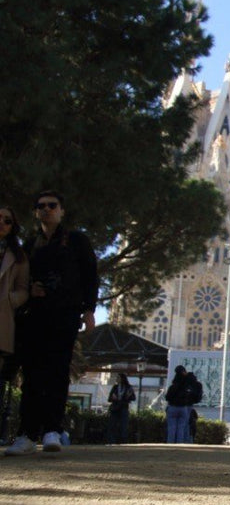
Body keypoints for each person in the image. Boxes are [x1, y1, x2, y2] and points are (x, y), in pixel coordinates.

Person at [5, 190, 98, 456]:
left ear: (62, 211)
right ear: (36, 212)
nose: (47, 210)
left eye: (52, 205)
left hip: (64, 314)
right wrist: (30, 290)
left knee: (57, 372)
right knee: (32, 374)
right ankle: (26, 433)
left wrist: (89, 309)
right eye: (41, 206)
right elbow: (21, 278)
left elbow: (90, 275)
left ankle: (52, 430)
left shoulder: (77, 241)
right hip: (34, 316)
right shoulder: (30, 244)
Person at [0, 205, 30, 444]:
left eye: (7, 220)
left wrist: (10, 300)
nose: (2, 223)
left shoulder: (18, 256)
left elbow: (23, 289)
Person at [164, 365, 192, 443]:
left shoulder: (172, 387)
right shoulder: (186, 386)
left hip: (172, 407)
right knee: (181, 428)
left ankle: (170, 443)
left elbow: (167, 397)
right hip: (183, 407)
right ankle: (179, 443)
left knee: (171, 427)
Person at [105, 373, 135, 444]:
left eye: (118, 377)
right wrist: (113, 398)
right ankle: (112, 440)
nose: (117, 379)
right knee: (112, 425)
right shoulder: (115, 387)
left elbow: (133, 397)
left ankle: (122, 440)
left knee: (123, 425)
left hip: (124, 408)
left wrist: (128, 396)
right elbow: (109, 398)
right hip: (115, 408)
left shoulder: (128, 387)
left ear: (122, 379)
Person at [185, 371, 203, 442]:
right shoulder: (197, 384)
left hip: (180, 405)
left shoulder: (183, 383)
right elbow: (198, 397)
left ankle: (175, 440)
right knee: (188, 424)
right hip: (190, 405)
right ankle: (189, 440)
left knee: (178, 424)